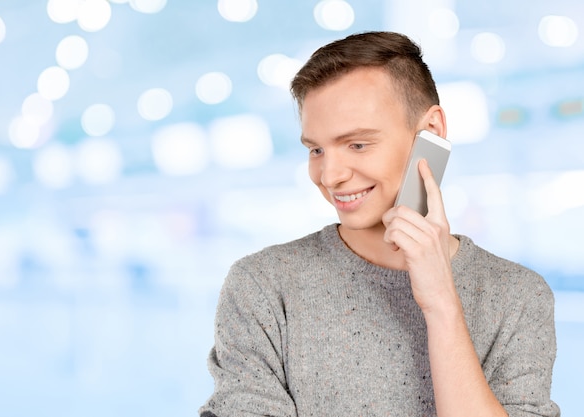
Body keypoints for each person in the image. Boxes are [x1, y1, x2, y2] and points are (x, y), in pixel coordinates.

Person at [199, 31, 560, 417]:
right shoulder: (263, 287)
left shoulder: (518, 297)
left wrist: (441, 305)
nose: (330, 175)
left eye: (357, 144)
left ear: (431, 134)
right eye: (316, 149)